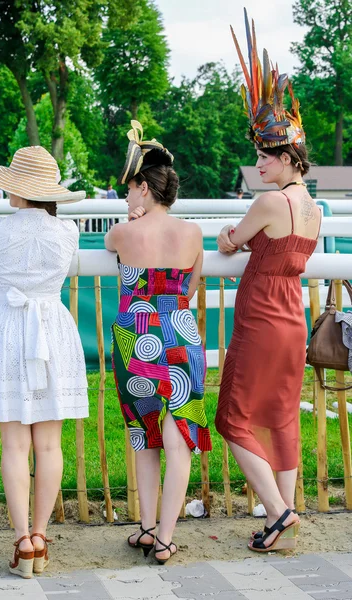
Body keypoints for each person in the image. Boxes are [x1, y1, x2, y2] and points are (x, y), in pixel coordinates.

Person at [215, 11, 321, 553]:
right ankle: (286, 515)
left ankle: (279, 516)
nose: (257, 165)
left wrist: (232, 237)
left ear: (285, 157)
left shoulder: (268, 201)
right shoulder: (314, 208)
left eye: (263, 156)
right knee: (281, 415)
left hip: (259, 317)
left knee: (232, 418)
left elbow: (229, 241)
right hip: (293, 318)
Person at [0, 146, 89, 577]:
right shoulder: (67, 231)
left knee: (14, 444)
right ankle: (40, 534)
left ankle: (22, 541)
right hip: (52, 330)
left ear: (16, 190)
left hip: (9, 328)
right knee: (49, 444)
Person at [105, 121, 212, 565]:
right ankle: (166, 538)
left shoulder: (122, 234)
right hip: (181, 334)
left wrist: (131, 222)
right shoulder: (192, 234)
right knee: (178, 437)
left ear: (144, 189)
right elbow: (191, 284)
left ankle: (146, 529)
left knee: (143, 436)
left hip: (137, 338)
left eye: (130, 190)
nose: (126, 197)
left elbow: (116, 244)